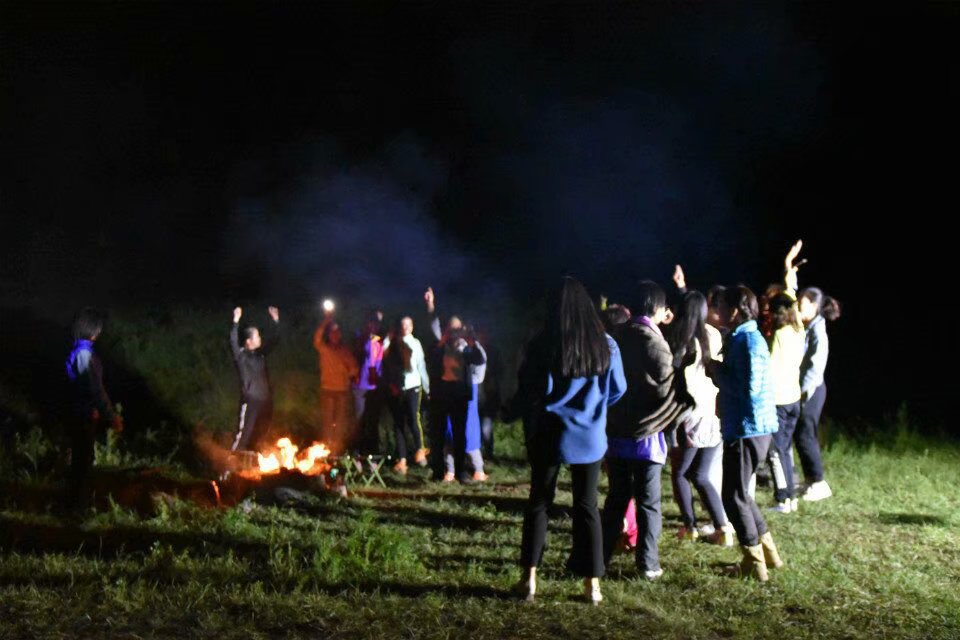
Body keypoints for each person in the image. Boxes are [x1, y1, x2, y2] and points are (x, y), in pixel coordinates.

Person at [507, 276, 626, 605]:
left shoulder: (541, 344)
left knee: (539, 503)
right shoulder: (606, 345)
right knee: (587, 506)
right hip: (590, 437)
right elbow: (618, 389)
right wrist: (595, 408)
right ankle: (592, 585)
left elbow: (529, 389)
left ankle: (529, 580)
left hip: (548, 433)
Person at [601, 281, 689, 582]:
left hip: (616, 435)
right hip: (646, 440)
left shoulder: (617, 336)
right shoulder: (654, 341)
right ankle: (647, 564)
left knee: (616, 500)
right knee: (649, 504)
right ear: (658, 308)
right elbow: (667, 387)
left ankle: (599, 559)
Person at [708, 286, 783, 581]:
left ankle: (754, 562)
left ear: (735, 311)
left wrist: (717, 371)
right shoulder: (745, 337)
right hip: (751, 427)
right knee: (741, 494)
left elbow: (748, 388)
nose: (718, 311)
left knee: (733, 496)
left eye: (721, 306)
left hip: (747, 428)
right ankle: (768, 554)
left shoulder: (747, 341)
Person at [666, 290, 733, 545]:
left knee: (680, 473)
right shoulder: (713, 334)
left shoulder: (680, 337)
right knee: (700, 474)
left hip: (689, 414)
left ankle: (690, 527)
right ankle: (723, 528)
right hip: (713, 410)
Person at [65, 308, 123, 509]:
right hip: (83, 414)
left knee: (81, 459)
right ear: (94, 331)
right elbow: (95, 389)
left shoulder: (77, 351)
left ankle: (75, 503)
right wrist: (112, 417)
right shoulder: (84, 354)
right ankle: (77, 507)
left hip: (78, 412)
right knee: (83, 461)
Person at [765, 241, 807, 513]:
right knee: (785, 448)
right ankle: (790, 496)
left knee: (775, 451)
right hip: (794, 398)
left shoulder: (779, 336)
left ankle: (783, 498)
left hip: (778, 401)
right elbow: (791, 297)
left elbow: (769, 369)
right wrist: (788, 269)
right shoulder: (798, 329)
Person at [795, 285, 842, 502]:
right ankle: (810, 479)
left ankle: (819, 483)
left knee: (806, 435)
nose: (797, 307)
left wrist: (800, 393)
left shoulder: (817, 331)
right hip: (806, 390)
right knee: (801, 434)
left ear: (814, 306)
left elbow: (814, 369)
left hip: (811, 391)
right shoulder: (809, 327)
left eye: (801, 304)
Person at [382, 316, 430, 474]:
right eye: (403, 325)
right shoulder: (393, 343)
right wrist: (388, 337)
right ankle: (402, 460)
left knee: (413, 417)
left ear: (412, 326)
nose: (406, 327)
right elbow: (384, 356)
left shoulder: (415, 343)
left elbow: (421, 365)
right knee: (398, 423)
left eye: (408, 324)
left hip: (413, 385)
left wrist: (427, 387)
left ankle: (420, 450)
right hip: (397, 387)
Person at [229, 306, 280, 454]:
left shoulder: (260, 354)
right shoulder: (242, 356)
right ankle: (230, 463)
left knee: (259, 435)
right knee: (243, 434)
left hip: (264, 401)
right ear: (249, 341)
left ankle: (250, 464)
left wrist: (276, 320)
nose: (260, 338)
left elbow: (275, 340)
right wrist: (235, 321)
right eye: (257, 336)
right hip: (250, 401)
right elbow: (233, 341)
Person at [313, 306, 360, 453]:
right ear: (329, 335)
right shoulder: (324, 348)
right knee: (327, 421)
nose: (335, 335)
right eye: (332, 333)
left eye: (337, 333)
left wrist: (350, 375)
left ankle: (336, 449)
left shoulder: (344, 350)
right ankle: (326, 448)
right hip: (327, 389)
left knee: (340, 422)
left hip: (342, 391)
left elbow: (354, 368)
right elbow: (317, 338)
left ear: (340, 335)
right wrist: (326, 320)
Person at [353, 310, 386, 454]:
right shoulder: (360, 338)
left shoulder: (379, 341)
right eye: (371, 323)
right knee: (360, 419)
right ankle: (357, 450)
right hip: (361, 386)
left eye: (376, 324)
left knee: (373, 419)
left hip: (375, 386)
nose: (374, 326)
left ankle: (372, 451)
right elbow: (361, 345)